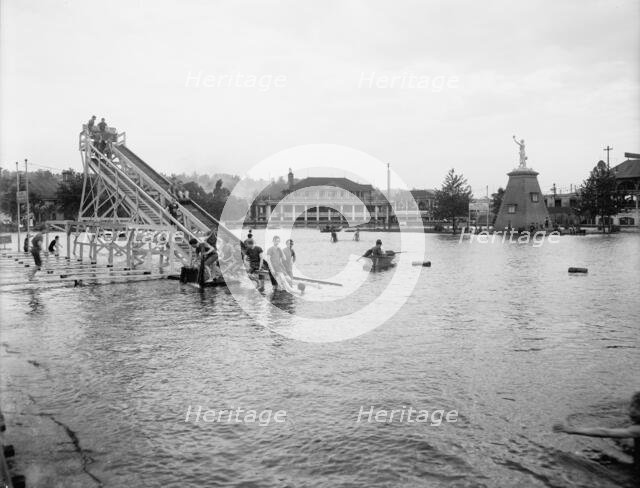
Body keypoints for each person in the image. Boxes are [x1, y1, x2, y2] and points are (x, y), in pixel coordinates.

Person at [553, 392, 640, 468]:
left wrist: (570, 430)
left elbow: (605, 432)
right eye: (632, 406)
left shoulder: (637, 429)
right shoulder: (635, 427)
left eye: (638, 408)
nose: (632, 411)